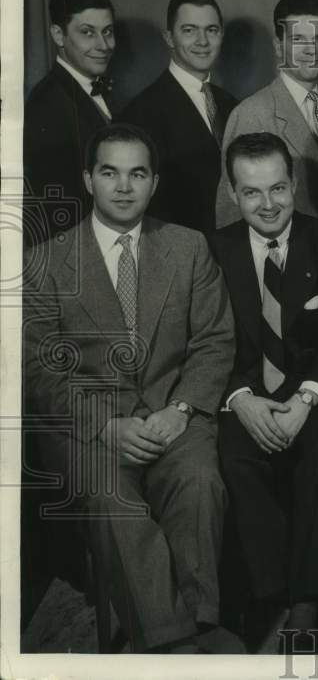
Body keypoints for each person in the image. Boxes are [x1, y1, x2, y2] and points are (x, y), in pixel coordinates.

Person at [22, 123, 236, 653]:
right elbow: (38, 370)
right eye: (110, 173)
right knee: (111, 498)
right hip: (91, 428)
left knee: (200, 482)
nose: (123, 187)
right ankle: (175, 642)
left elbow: (214, 342)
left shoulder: (187, 248)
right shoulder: (46, 263)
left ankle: (197, 621)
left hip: (173, 415)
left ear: (154, 183)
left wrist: (181, 410)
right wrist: (106, 426)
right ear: (88, 180)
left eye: (137, 173)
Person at [211, 133, 318, 651]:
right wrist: (240, 400)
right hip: (246, 390)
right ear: (232, 191)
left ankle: (310, 600)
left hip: (314, 391)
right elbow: (207, 341)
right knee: (238, 459)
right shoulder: (215, 250)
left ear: (294, 185)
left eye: (278, 188)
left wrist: (306, 399)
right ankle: (268, 596)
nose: (267, 205)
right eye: (251, 192)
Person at [215, 0, 318, 226]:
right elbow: (230, 215)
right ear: (278, 46)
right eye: (298, 40)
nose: (311, 50)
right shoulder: (250, 114)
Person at [123, 0, 238, 233]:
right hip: (182, 254)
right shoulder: (141, 112)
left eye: (211, 30)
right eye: (189, 30)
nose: (203, 41)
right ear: (169, 37)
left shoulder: (231, 104)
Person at [24, 0, 117, 244]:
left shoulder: (107, 90)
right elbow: (59, 209)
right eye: (88, 32)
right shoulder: (45, 105)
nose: (103, 45)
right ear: (58, 34)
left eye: (108, 32)